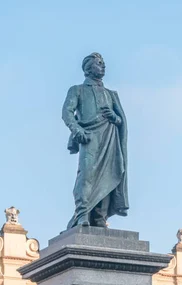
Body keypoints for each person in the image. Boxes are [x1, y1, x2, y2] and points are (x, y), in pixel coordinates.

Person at [62, 52, 129, 228]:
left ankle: (100, 217)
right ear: (87, 69)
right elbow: (67, 112)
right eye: (99, 63)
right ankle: (82, 214)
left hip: (110, 137)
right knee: (87, 175)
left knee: (109, 173)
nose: (103, 66)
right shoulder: (77, 90)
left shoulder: (111, 94)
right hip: (89, 137)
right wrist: (77, 129)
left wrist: (115, 117)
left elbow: (121, 120)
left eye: (103, 63)